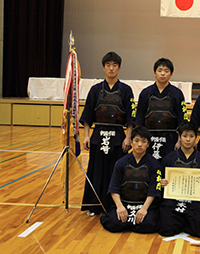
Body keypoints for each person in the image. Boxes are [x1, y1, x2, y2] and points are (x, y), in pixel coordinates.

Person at [80, 52, 135, 216]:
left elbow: (131, 116)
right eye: (108, 65)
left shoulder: (126, 90)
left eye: (114, 65)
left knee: (116, 171)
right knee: (96, 171)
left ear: (119, 68)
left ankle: (114, 205)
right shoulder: (95, 89)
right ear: (103, 67)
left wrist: (128, 136)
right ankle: (94, 205)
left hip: (118, 137)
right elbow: (88, 114)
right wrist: (86, 135)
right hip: (98, 136)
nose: (111, 68)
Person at [159, 122, 200, 237]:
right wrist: (162, 183)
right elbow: (159, 180)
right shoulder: (169, 158)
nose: (188, 140)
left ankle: (183, 223)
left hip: (194, 202)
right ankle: (185, 223)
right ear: (179, 137)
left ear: (196, 137)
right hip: (174, 201)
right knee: (166, 228)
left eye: (191, 136)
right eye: (185, 136)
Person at [100, 126, 162, 233]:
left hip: (143, 205)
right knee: (114, 223)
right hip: (124, 204)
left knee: (149, 224)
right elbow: (114, 188)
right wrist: (119, 207)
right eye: (136, 141)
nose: (139, 144)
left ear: (148, 144)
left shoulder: (154, 164)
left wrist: (144, 209)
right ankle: (129, 222)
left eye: (143, 141)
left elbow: (153, 190)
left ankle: (130, 223)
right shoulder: (121, 163)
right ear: (131, 142)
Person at [135, 58, 188, 162]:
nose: (163, 73)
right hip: (149, 138)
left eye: (166, 71)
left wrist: (179, 140)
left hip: (170, 138)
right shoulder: (145, 93)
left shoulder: (177, 94)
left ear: (171, 74)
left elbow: (182, 120)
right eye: (160, 70)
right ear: (154, 73)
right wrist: (140, 140)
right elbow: (139, 118)